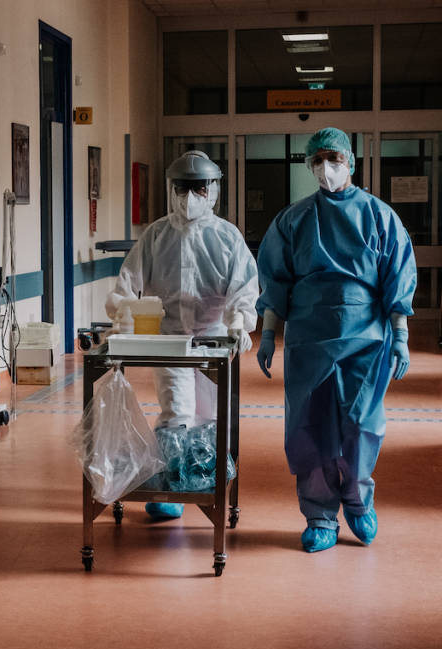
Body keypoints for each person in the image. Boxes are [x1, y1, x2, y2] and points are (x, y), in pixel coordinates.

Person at [256, 127, 416, 553]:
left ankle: (359, 502)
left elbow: (397, 278)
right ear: (310, 166)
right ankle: (320, 515)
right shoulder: (293, 220)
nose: (327, 168)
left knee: (360, 424)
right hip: (309, 341)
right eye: (319, 160)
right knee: (312, 428)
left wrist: (399, 335)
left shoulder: (379, 216)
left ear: (350, 161)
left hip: (366, 339)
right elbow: (276, 281)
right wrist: (268, 333)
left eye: (334, 158)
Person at [106, 151, 259, 519]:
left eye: (199, 187)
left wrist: (239, 321)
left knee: (210, 417)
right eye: (183, 187)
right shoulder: (156, 235)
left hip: (213, 338)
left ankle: (205, 480)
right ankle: (170, 486)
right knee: (177, 411)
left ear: (213, 189)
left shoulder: (226, 237)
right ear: (172, 189)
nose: (190, 196)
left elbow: (244, 286)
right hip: (169, 337)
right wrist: (123, 316)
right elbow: (127, 283)